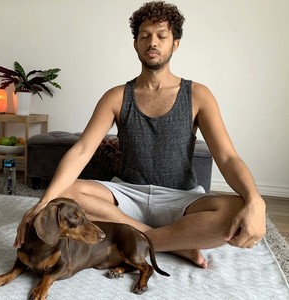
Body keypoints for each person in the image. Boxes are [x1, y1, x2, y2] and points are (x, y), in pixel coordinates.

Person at [14, 1, 266, 269]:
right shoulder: (116, 96)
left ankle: (145, 240)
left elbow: (227, 157)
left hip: (181, 198)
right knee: (64, 193)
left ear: (175, 44)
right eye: (144, 36)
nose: (152, 42)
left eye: (161, 36)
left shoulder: (198, 95)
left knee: (236, 211)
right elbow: (81, 150)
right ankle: (173, 243)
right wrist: (44, 203)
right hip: (126, 196)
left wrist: (255, 200)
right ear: (135, 44)